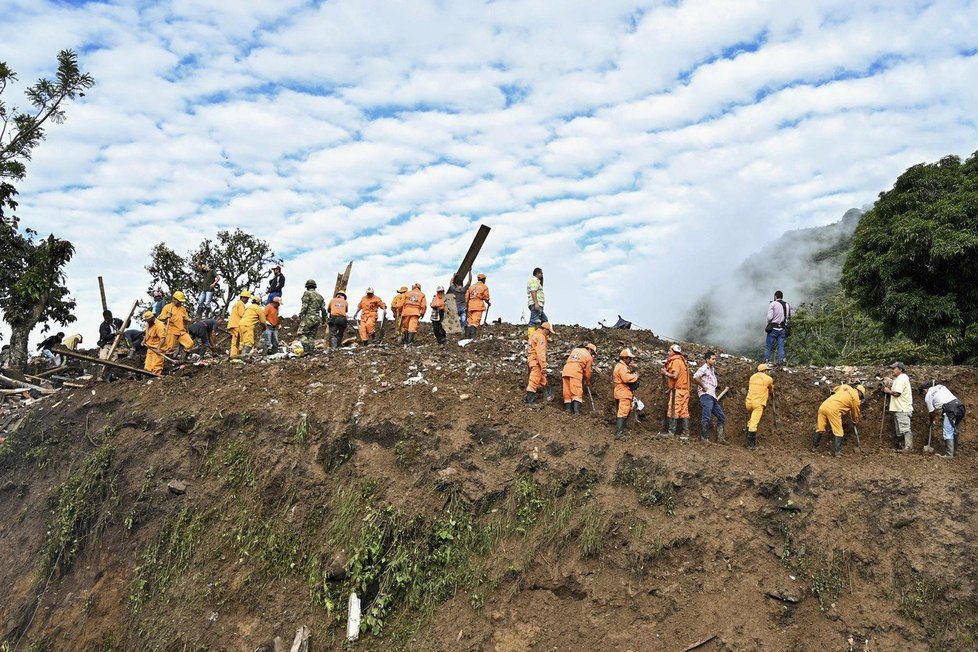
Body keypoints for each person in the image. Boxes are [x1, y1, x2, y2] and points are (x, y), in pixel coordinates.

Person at [812, 384, 865, 457]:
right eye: (861, 396)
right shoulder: (856, 399)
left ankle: (814, 447)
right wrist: (855, 421)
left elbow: (833, 390)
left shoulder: (845, 386)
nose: (860, 398)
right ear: (860, 392)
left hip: (823, 406)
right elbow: (855, 413)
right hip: (834, 410)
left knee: (820, 428)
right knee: (839, 432)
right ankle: (837, 452)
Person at [923, 381, 965, 459]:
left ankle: (949, 454)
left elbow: (932, 412)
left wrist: (931, 422)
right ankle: (954, 452)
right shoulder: (940, 386)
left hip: (950, 410)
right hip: (960, 406)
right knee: (955, 430)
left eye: (923, 393)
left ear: (925, 390)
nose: (924, 395)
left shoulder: (928, 396)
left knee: (948, 432)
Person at [693, 351, 726, 443]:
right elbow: (695, 377)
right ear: (707, 360)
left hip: (712, 396)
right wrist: (703, 386)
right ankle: (704, 438)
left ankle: (720, 438)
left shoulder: (712, 369)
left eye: (715, 359)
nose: (715, 361)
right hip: (706, 395)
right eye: (713, 359)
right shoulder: (704, 368)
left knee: (721, 416)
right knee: (706, 416)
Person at [660, 344, 691, 438]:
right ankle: (686, 433)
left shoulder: (676, 361)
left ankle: (671, 432)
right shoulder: (683, 361)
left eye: (669, 350)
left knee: (673, 409)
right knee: (684, 411)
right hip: (685, 390)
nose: (668, 352)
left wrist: (665, 373)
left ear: (673, 351)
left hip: (677, 391)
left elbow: (675, 376)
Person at [882, 362, 913, 452]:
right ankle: (903, 447)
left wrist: (888, 391)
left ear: (900, 369)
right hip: (899, 408)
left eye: (894, 368)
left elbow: (897, 393)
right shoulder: (900, 379)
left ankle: (908, 448)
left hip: (902, 408)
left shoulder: (901, 379)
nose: (892, 370)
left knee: (905, 429)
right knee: (900, 429)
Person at [745, 364, 774, 450]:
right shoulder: (768, 379)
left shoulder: (752, 377)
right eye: (767, 370)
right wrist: (771, 393)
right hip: (758, 404)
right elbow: (771, 388)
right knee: (754, 423)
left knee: (751, 421)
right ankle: (751, 445)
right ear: (765, 371)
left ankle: (747, 441)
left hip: (748, 403)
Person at [561, 342, 596, 415]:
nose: (592, 355)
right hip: (575, 371)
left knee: (567, 390)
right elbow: (588, 371)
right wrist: (587, 381)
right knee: (577, 391)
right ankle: (576, 411)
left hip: (566, 370)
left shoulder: (575, 350)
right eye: (593, 353)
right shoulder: (589, 357)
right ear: (590, 350)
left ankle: (568, 409)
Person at [613, 349, 640, 440]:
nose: (631, 361)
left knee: (621, 411)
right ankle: (619, 433)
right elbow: (626, 378)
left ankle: (619, 431)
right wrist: (635, 376)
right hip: (623, 392)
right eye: (630, 359)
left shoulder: (620, 366)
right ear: (625, 358)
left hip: (619, 391)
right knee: (623, 411)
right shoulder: (622, 367)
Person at [159, 291, 194, 358]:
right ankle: (167, 361)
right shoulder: (167, 307)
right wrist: (167, 316)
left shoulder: (183, 309)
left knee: (190, 343)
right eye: (179, 301)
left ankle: (184, 357)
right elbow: (161, 318)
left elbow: (187, 319)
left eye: (181, 301)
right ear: (174, 299)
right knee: (168, 348)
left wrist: (187, 319)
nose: (181, 303)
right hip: (171, 331)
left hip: (181, 331)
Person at [525, 321, 554, 403]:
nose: (549, 334)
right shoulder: (541, 336)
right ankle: (530, 401)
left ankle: (539, 397)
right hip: (536, 362)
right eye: (548, 332)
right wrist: (544, 366)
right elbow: (540, 353)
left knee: (542, 380)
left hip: (533, 360)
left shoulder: (534, 334)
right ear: (545, 329)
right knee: (533, 381)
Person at [764, 290, 791, 366]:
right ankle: (780, 361)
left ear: (775, 296)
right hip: (782, 328)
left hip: (773, 328)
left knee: (769, 346)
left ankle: (767, 361)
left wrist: (770, 322)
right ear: (782, 297)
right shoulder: (787, 305)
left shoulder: (773, 304)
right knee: (781, 346)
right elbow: (788, 318)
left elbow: (769, 317)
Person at [298, 279, 325, 353]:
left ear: (307, 286)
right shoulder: (320, 296)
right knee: (311, 336)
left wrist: (301, 314)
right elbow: (323, 310)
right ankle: (311, 351)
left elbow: (305, 305)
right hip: (317, 318)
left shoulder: (307, 293)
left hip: (309, 317)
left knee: (301, 333)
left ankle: (306, 350)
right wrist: (324, 319)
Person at [465, 273, 491, 339]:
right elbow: (486, 297)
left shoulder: (471, 287)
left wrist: (466, 306)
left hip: (470, 305)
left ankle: (468, 338)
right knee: (475, 322)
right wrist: (488, 302)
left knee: (470, 322)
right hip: (478, 305)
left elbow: (466, 297)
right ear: (484, 279)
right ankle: (473, 338)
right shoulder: (484, 287)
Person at [142, 310, 167, 375]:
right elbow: (147, 333)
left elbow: (163, 338)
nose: (147, 322)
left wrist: (158, 348)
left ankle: (156, 379)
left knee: (156, 366)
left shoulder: (160, 325)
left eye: (149, 320)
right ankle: (147, 377)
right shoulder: (148, 324)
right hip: (150, 347)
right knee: (148, 365)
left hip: (158, 347)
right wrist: (144, 340)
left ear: (153, 318)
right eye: (146, 320)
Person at [227, 290, 251, 357]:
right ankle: (234, 355)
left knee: (234, 340)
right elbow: (242, 314)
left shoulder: (237, 303)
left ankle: (233, 354)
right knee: (237, 341)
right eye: (247, 298)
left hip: (232, 324)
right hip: (236, 324)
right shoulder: (241, 304)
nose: (247, 300)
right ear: (243, 297)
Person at [527, 268, 547, 335]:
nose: (542, 275)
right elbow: (533, 291)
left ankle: (543, 335)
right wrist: (536, 303)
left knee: (545, 321)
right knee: (533, 321)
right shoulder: (534, 280)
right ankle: (532, 338)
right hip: (536, 304)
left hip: (539, 304)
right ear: (537, 273)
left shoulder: (537, 281)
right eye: (541, 273)